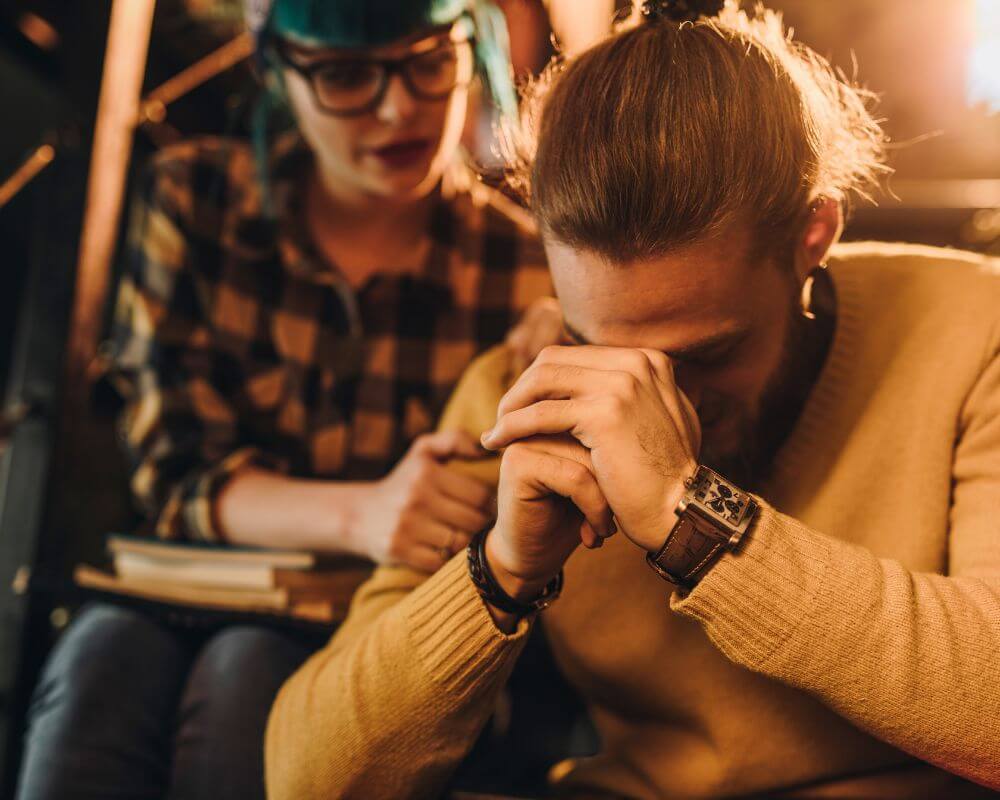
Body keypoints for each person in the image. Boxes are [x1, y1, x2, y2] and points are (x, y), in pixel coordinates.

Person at [264, 1, 1000, 798]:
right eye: (606, 351)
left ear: (811, 236)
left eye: (709, 353)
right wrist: (499, 572)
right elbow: (307, 781)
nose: (654, 405)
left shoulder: (972, 330)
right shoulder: (517, 399)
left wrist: (695, 522)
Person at [14, 2, 561, 799]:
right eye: (345, 75)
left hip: (381, 628)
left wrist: (581, 314)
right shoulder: (196, 201)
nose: (399, 107)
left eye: (427, 61)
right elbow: (177, 478)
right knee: (98, 666)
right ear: (275, 69)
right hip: (183, 586)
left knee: (252, 673)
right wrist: (368, 512)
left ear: (467, 45)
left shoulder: (521, 270)